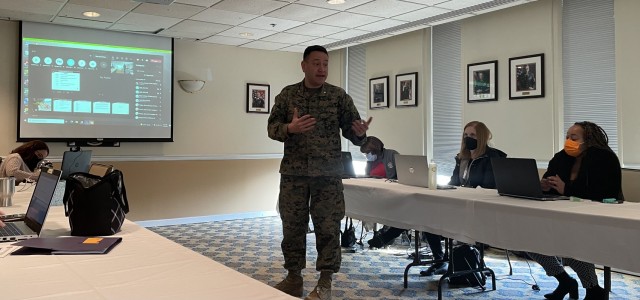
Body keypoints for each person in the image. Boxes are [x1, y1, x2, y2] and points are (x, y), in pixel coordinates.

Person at [267, 45, 371, 300]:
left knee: (328, 228)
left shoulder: (338, 96)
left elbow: (353, 130)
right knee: (292, 227)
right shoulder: (288, 95)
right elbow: (272, 128)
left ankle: (325, 282)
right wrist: (289, 128)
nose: (322, 68)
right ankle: (294, 278)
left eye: (325, 63)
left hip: (327, 176)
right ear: (303, 66)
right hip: (294, 174)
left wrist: (359, 134)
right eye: (316, 63)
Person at [527, 121, 621, 300]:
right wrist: (544, 186)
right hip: (560, 213)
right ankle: (564, 280)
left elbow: (605, 194)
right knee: (528, 239)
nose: (568, 140)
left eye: (574, 137)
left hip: (595, 215)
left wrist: (567, 190)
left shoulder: (604, 158)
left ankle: (593, 289)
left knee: (571, 242)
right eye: (567, 136)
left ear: (588, 140)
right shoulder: (561, 157)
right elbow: (550, 180)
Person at [420, 121, 507, 276]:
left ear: (482, 137)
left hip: (480, 208)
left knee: (452, 222)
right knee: (427, 217)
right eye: (466, 135)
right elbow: (454, 182)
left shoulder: (492, 157)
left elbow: (489, 186)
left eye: (472, 135)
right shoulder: (462, 158)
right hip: (458, 204)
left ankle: (472, 260)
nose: (468, 138)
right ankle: (439, 260)